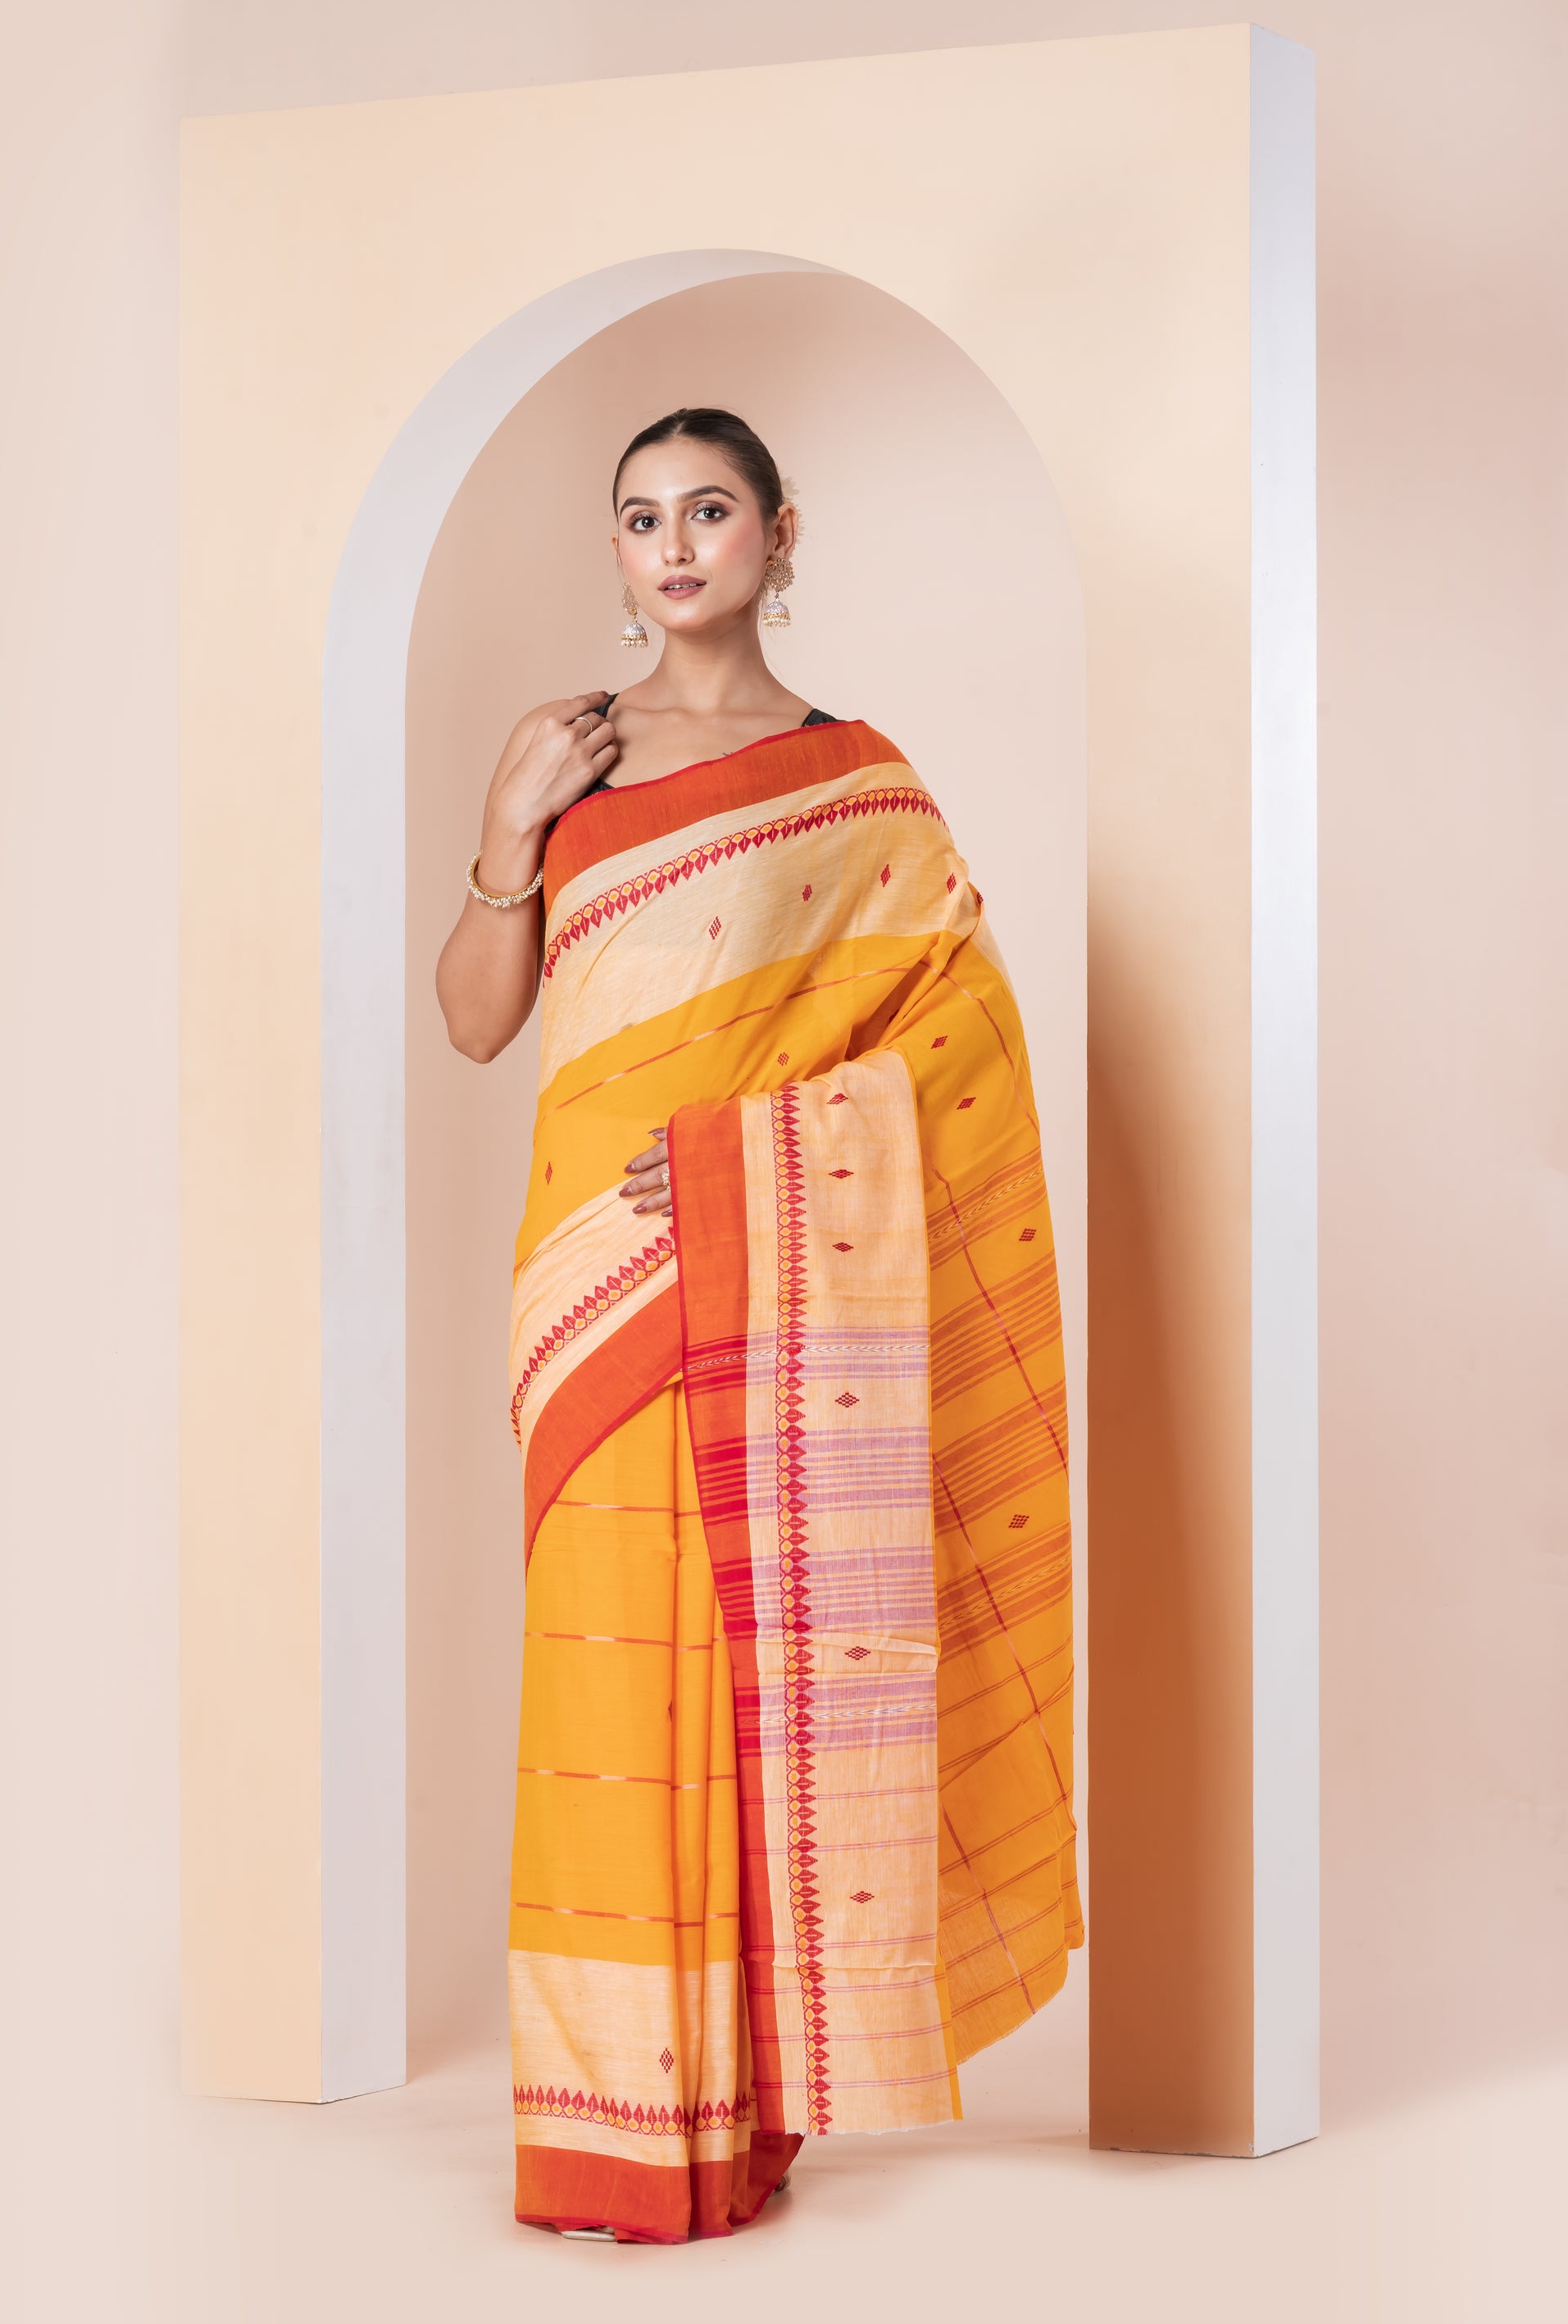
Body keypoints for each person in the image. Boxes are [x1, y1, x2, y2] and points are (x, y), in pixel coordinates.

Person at [436, 407, 1079, 2244]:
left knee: (748, 1667)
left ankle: (733, 2114)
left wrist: (747, 1163)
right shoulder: (564, 755)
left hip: (756, 1268)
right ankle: (613, 2122)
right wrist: (502, 834)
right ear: (617, 550)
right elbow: (475, 1021)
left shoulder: (856, 781)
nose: (674, 545)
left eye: (707, 509)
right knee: (607, 1673)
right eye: (641, 517)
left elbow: (955, 1040)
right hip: (591, 1284)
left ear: (777, 535)